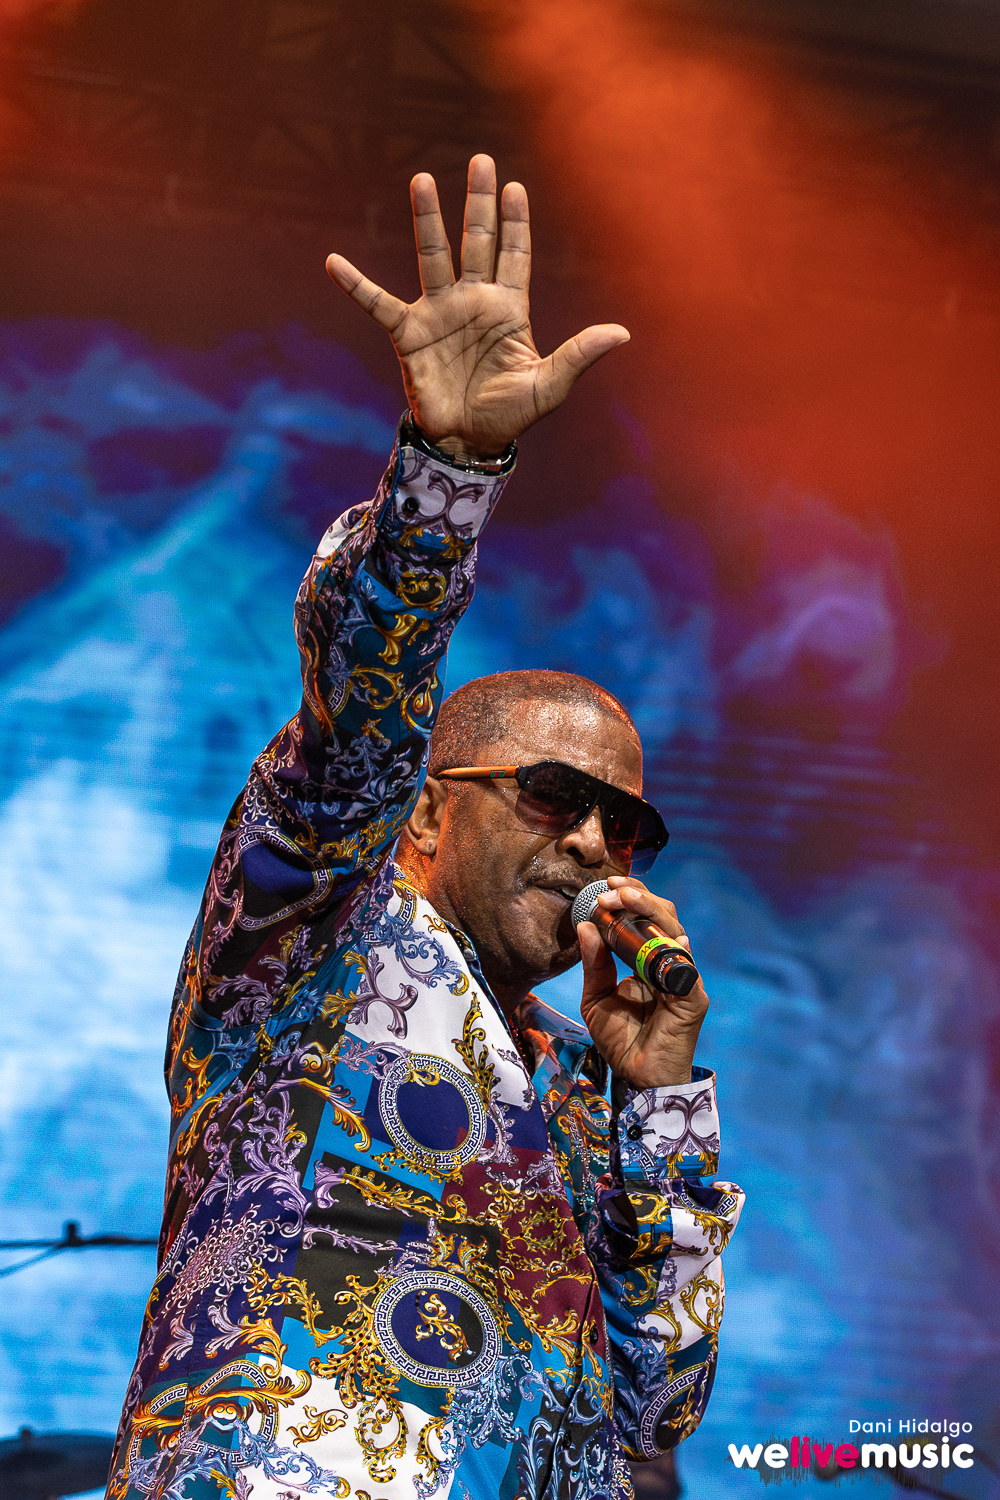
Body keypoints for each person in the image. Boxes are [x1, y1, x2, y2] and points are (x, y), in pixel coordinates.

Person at [109, 154, 744, 1500]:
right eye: (554, 795)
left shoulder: (585, 1085)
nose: (596, 847)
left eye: (627, 826)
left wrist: (658, 1098)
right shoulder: (314, 941)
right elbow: (363, 712)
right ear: (422, 816)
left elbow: (661, 1405)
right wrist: (449, 472)